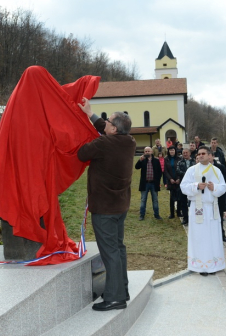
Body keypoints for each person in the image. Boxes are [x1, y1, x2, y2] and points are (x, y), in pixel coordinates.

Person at [77, 100, 135, 311]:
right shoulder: (129, 141)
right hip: (120, 206)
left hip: (105, 209)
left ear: (113, 128)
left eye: (108, 120)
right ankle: (122, 289)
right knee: (118, 249)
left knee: (110, 252)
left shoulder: (103, 144)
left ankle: (114, 298)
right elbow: (105, 128)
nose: (106, 123)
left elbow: (82, 153)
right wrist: (90, 114)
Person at [180, 146, 226, 275]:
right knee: (199, 237)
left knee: (212, 236)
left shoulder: (216, 170)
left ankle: (213, 265)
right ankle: (200, 266)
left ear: (209, 155)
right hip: (197, 208)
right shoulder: (191, 170)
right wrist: (196, 186)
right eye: (199, 154)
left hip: (212, 208)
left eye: (203, 153)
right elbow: (183, 187)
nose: (201, 155)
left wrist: (214, 187)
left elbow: (223, 186)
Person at [135, 147, 163, 221]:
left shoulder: (156, 160)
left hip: (154, 184)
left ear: (152, 152)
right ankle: (142, 215)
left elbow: (160, 172)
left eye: (148, 151)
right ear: (144, 152)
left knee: (155, 200)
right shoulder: (143, 160)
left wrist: (158, 181)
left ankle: (156, 215)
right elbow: (136, 167)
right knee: (143, 200)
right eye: (145, 151)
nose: (147, 152)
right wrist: (140, 160)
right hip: (145, 183)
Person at [210, 150, 226, 242]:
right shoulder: (200, 168)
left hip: (219, 196)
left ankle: (222, 234)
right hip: (208, 197)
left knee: (219, 216)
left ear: (213, 156)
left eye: (209, 155)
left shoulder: (220, 167)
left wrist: (218, 188)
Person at [176, 148, 196, 225]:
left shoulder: (194, 162)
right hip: (183, 185)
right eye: (183, 153)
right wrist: (187, 175)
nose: (185, 154)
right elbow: (178, 171)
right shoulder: (180, 162)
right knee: (183, 202)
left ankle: (193, 218)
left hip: (193, 185)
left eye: (186, 152)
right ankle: (185, 218)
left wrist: (190, 176)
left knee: (192, 203)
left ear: (190, 153)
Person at [164, 146, 181, 219]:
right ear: (168, 151)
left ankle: (179, 212)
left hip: (178, 181)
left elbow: (181, 168)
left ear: (175, 151)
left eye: (173, 150)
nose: (171, 151)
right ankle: (172, 213)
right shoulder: (166, 159)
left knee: (179, 197)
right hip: (171, 181)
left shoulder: (179, 158)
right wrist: (170, 179)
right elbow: (165, 170)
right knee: (172, 198)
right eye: (170, 150)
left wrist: (179, 178)